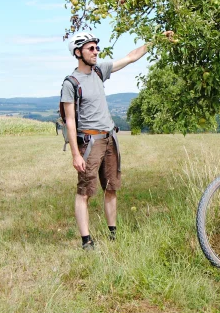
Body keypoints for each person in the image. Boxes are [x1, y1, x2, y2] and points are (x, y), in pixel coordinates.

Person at [61, 30, 173, 250]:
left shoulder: (99, 70)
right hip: (90, 142)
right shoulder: (71, 83)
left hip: (110, 138)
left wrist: (157, 40)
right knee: (85, 192)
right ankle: (86, 240)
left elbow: (131, 57)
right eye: (91, 48)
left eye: (96, 47)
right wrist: (75, 154)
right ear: (78, 52)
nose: (96, 52)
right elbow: (70, 121)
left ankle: (113, 234)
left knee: (111, 187)